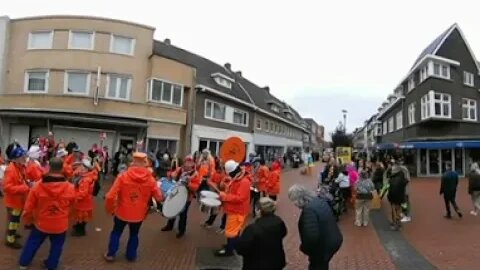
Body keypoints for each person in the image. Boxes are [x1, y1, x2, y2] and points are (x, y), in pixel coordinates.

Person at [104, 152, 163, 262]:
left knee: (116, 232)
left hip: (122, 212)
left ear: (132, 162)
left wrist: (110, 209)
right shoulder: (150, 179)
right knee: (134, 234)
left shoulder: (122, 176)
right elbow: (159, 197)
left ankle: (111, 254)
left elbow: (110, 196)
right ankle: (131, 255)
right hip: (138, 214)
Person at [18, 158, 76, 270]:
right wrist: (67, 217)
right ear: (61, 169)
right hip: (60, 224)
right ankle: (51, 266)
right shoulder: (70, 187)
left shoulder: (38, 186)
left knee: (33, 243)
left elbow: (28, 206)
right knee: (57, 247)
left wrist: (28, 219)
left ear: (49, 167)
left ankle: (23, 263)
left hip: (42, 223)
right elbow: (73, 206)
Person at [288, 184, 343, 270]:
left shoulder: (309, 211)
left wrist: (304, 248)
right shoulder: (319, 201)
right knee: (323, 264)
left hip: (323, 248)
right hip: (333, 241)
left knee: (317, 266)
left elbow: (311, 237)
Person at [236, 197, 287, 270]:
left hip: (256, 264)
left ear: (259, 210)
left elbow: (241, 249)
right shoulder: (279, 222)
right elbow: (283, 233)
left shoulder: (252, 229)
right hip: (276, 262)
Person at [215, 160, 251, 257]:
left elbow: (240, 198)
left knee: (231, 232)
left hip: (237, 211)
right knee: (234, 231)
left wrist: (225, 197)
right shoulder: (237, 179)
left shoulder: (244, 181)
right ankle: (232, 246)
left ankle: (229, 251)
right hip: (234, 210)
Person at [161, 155, 201, 238]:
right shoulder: (179, 169)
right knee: (172, 209)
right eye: (186, 161)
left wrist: (189, 183)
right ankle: (169, 225)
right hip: (175, 193)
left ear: (193, 164)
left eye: (190, 162)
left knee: (183, 214)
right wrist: (171, 175)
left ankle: (181, 230)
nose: (187, 164)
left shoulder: (195, 174)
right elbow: (172, 176)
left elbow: (195, 188)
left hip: (186, 198)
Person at [3, 142, 29, 249]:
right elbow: (7, 187)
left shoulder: (19, 167)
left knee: (14, 220)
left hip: (18, 200)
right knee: (13, 220)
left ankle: (12, 233)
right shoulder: (11, 169)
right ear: (16, 158)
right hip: (13, 201)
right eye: (22, 156)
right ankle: (10, 240)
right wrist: (24, 187)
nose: (25, 157)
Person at [71, 158, 96, 237]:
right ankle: (78, 226)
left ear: (87, 169)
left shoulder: (85, 180)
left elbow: (83, 193)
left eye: (83, 168)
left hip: (83, 202)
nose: (80, 169)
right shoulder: (85, 177)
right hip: (85, 201)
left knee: (82, 217)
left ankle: (80, 231)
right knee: (80, 217)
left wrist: (74, 197)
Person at [387, 160, 409, 231]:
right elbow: (406, 181)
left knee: (394, 210)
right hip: (400, 196)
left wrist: (389, 197)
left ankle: (395, 223)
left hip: (394, 197)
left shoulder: (393, 179)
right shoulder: (403, 177)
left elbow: (392, 190)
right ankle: (399, 224)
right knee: (399, 210)